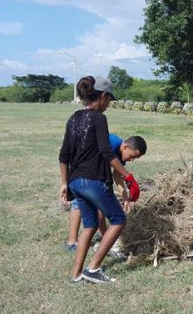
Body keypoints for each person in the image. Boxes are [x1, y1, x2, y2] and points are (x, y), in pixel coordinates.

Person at [59, 75, 141, 284]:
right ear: (103, 96)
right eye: (109, 100)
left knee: (91, 225)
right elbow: (107, 153)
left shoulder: (74, 118)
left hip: (76, 181)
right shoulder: (98, 118)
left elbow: (64, 155)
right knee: (118, 219)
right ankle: (93, 268)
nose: (108, 105)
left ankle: (76, 275)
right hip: (93, 180)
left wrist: (64, 183)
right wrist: (128, 176)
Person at [64, 134, 147, 257]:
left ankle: (103, 237)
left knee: (98, 201)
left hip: (93, 170)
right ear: (125, 146)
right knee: (81, 201)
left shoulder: (120, 152)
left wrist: (125, 197)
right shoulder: (111, 144)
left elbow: (117, 175)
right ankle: (72, 242)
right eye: (132, 156)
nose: (132, 160)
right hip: (78, 165)